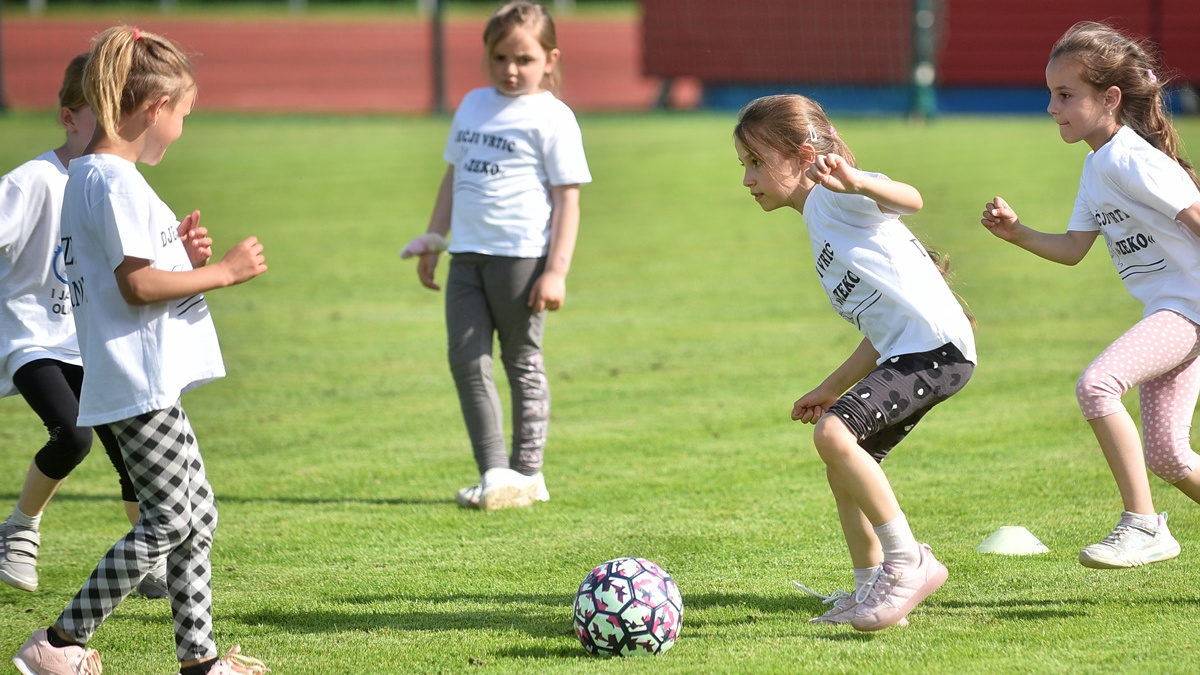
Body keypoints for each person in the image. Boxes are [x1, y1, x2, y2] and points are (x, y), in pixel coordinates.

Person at [12, 26, 269, 675]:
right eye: (183, 112)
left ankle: (199, 659)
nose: (183, 126)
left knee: (195, 514)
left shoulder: (91, 173)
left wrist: (182, 251)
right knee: (166, 520)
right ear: (154, 109)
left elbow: (123, 265)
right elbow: (137, 284)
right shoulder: (113, 180)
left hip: (139, 381)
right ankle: (59, 643)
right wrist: (225, 272)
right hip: (137, 382)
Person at [734, 94, 976, 631]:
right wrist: (830, 387)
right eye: (744, 166)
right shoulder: (820, 221)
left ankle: (909, 562)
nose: (747, 178)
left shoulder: (834, 197)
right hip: (920, 350)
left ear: (801, 156)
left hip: (935, 350)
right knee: (843, 456)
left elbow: (910, 198)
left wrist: (858, 181)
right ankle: (872, 586)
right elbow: (877, 335)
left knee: (834, 437)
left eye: (756, 162)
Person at [982, 21, 1200, 570]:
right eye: (1050, 94)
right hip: (1172, 311)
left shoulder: (1132, 159)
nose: (1052, 107)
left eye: (1065, 95)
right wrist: (1018, 232)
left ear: (1110, 98)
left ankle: (1142, 526)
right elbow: (1075, 248)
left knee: (1098, 385)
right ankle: (1146, 524)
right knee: (1170, 456)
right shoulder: (1096, 165)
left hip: (1190, 310)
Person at [401, 1, 591, 511]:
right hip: (465, 257)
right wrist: (433, 238)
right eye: (500, 56)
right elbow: (452, 177)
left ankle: (528, 474)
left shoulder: (553, 117)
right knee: (466, 361)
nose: (511, 69)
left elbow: (567, 198)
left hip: (522, 259)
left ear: (550, 59)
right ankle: (495, 474)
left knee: (521, 361)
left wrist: (556, 271)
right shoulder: (472, 105)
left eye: (524, 59)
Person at [0, 55, 169, 601]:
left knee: (129, 451)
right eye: (98, 116)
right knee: (71, 435)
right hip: (31, 337)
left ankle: (150, 556)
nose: (110, 130)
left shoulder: (114, 182)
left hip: (89, 341)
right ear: (68, 117)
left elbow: (134, 265)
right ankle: (20, 532)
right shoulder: (34, 181)